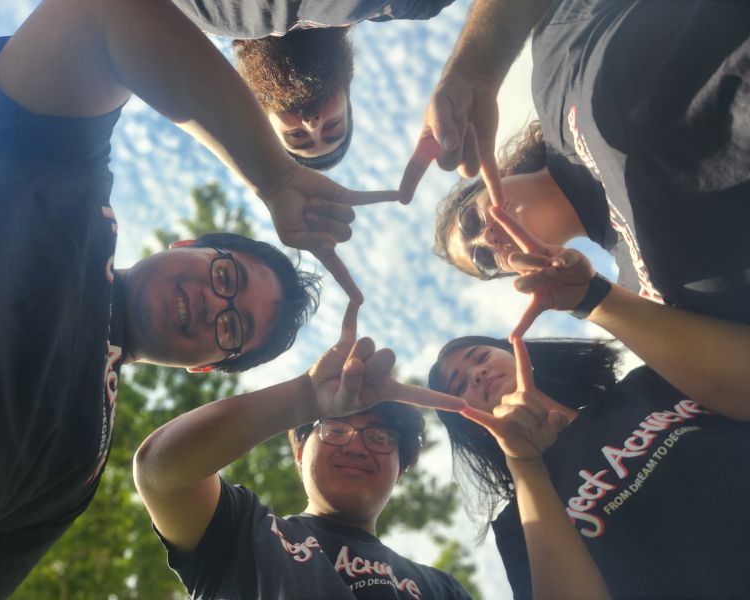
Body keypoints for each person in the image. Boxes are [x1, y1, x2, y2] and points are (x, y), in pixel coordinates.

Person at [0, 0, 401, 592]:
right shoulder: (67, 173)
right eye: (226, 277)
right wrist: (275, 177)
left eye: (232, 329)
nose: (216, 305)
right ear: (187, 244)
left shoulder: (81, 469)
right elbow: (106, 14)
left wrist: (308, 397)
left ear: (205, 364)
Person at [402, 0, 750, 326]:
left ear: (501, 173)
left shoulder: (552, 71)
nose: (487, 240)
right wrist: (598, 304)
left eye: (470, 222)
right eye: (485, 260)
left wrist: (474, 72)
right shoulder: (641, 294)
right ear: (518, 272)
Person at [133, 303, 473, 599]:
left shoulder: (442, 589)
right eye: (335, 429)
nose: (356, 445)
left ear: (400, 470)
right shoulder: (243, 534)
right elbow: (160, 471)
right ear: (299, 453)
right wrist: (306, 395)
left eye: (381, 437)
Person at [428, 333, 750, 598]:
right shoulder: (521, 522)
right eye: (460, 385)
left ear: (518, 352)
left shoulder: (645, 385)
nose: (477, 373)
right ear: (470, 426)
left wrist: (595, 299)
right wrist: (525, 465)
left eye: (481, 357)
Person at [169, 0, 455, 169]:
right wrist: (473, 67)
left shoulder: (193, 16)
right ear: (346, 94)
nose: (312, 124)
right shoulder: (406, 5)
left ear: (264, 115)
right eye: (333, 126)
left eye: (296, 136)